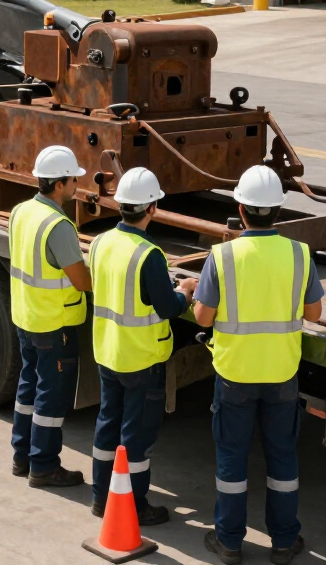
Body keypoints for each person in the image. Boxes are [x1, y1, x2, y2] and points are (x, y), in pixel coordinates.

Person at [193, 166, 323, 565]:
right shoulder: (299, 253)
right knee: (282, 457)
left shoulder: (223, 256)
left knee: (232, 458)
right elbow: (314, 313)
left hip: (235, 374)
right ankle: (283, 541)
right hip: (281, 374)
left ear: (240, 209)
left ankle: (229, 541)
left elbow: (202, 317)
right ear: (279, 211)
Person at [88, 168, 199, 526]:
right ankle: (134, 505)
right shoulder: (149, 254)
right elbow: (167, 308)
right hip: (142, 359)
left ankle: (100, 497)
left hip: (109, 352)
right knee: (136, 437)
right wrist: (184, 292)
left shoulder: (101, 242)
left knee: (108, 424)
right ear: (152, 208)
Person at [8, 145, 93, 487]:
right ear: (59, 184)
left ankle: (22, 457)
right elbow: (81, 281)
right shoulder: (58, 225)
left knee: (28, 388)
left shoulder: (21, 211)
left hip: (26, 317)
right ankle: (43, 466)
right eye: (74, 180)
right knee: (51, 398)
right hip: (55, 325)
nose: (77, 185)